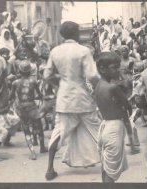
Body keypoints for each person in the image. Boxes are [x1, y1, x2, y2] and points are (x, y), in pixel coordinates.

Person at [44, 21, 101, 180]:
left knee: (58, 132)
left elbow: (47, 75)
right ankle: (109, 164)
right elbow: (92, 76)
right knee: (97, 130)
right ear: (75, 33)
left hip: (64, 98)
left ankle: (49, 169)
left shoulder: (55, 51)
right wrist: (101, 88)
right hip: (82, 97)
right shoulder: (83, 50)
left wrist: (60, 83)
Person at [94, 52, 131, 182]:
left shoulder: (99, 85)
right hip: (114, 129)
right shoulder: (113, 88)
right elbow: (128, 106)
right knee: (111, 171)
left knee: (106, 166)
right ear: (103, 69)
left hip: (104, 126)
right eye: (114, 67)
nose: (117, 70)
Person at [9, 60, 48, 160]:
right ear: (30, 71)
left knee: (26, 130)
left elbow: (11, 96)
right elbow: (39, 95)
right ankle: (42, 147)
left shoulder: (15, 83)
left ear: (20, 71)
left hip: (21, 108)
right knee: (39, 127)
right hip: (32, 107)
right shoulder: (33, 81)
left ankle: (32, 152)